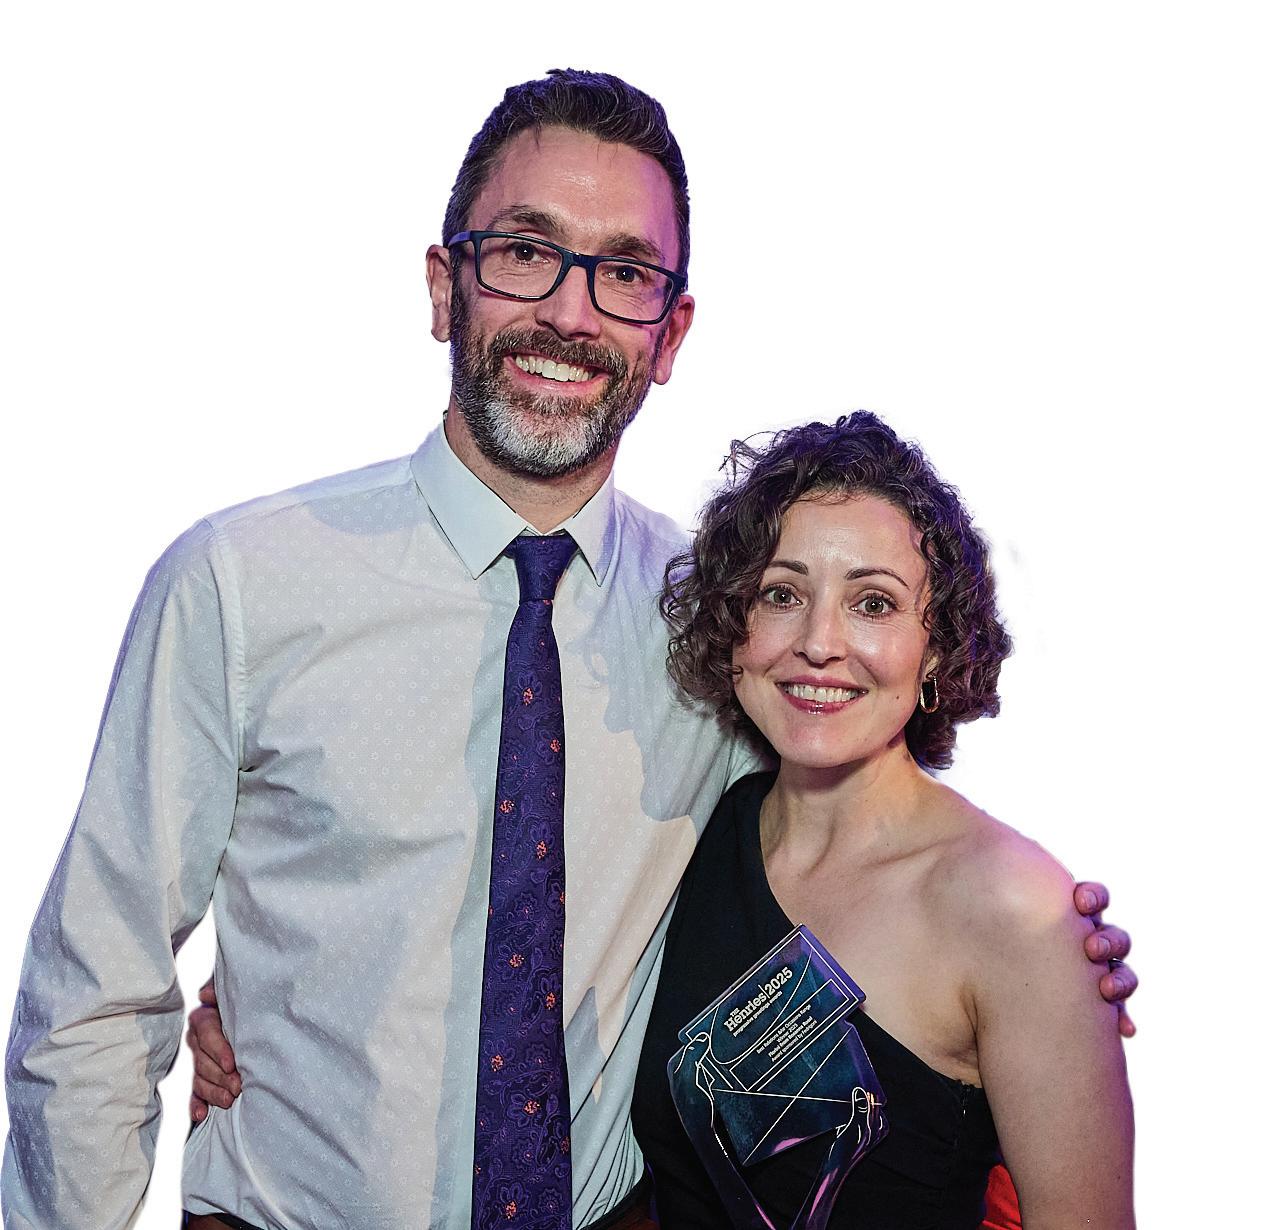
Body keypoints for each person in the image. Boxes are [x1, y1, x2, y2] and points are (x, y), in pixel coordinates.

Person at [2, 71, 1134, 1230]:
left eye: (625, 273)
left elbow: (858, 831)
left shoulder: (721, 620)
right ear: (443, 286)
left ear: (669, 332)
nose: (571, 314)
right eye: (523, 252)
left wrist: (1037, 957)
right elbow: (93, 995)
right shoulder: (241, 584)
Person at [631, 413, 1134, 1226]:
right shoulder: (700, 836)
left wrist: (1061, 971)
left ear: (935, 648)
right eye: (782, 594)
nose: (819, 643)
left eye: (873, 603)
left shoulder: (1014, 909)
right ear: (734, 628)